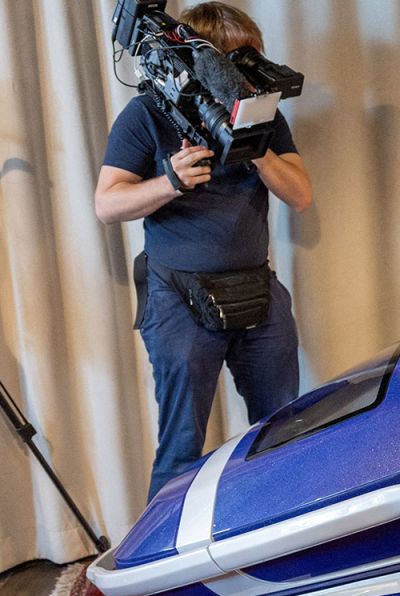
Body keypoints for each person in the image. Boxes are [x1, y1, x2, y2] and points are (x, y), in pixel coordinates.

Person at [94, 2, 312, 502]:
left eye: (253, 58)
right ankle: (160, 570)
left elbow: (300, 194)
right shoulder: (147, 113)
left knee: (281, 434)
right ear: (202, 60)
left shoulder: (264, 117)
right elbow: (107, 204)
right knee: (180, 448)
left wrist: (253, 145)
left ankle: (278, 536)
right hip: (177, 298)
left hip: (257, 292)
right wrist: (170, 182)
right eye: (235, 61)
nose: (247, 75)